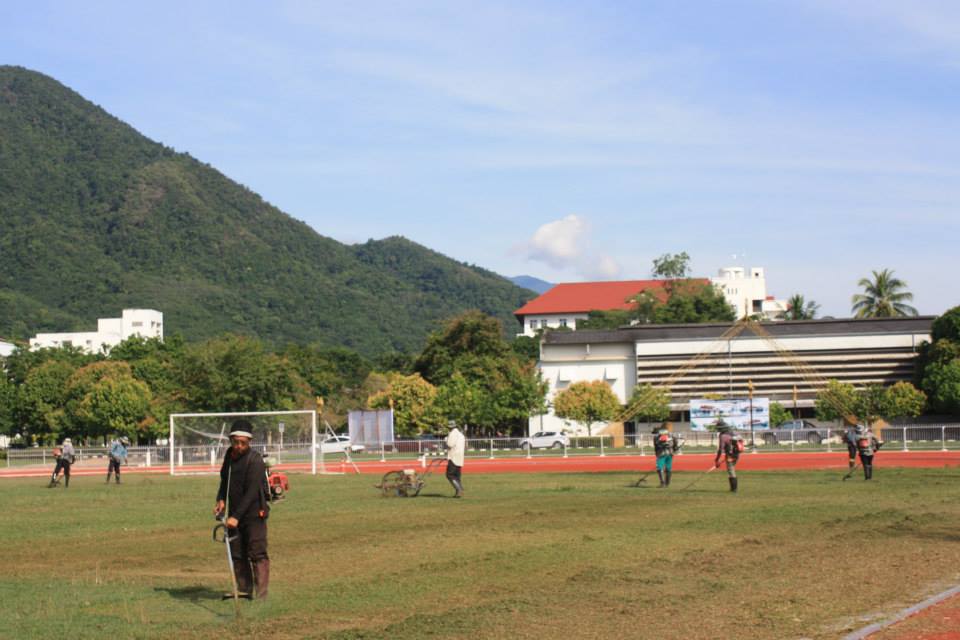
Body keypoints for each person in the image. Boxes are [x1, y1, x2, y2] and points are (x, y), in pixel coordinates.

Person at [214, 421, 270, 600]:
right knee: (237, 553)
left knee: (257, 552)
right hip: (234, 513)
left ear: (249, 442)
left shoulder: (255, 460)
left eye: (243, 443)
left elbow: (252, 491)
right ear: (231, 440)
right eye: (235, 442)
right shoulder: (229, 456)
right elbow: (224, 480)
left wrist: (236, 516)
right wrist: (221, 498)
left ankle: (261, 596)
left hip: (254, 513)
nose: (238, 446)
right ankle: (245, 590)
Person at [714, 426, 743, 493]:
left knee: (731, 470)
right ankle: (733, 489)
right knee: (731, 469)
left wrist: (717, 459)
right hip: (736, 454)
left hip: (730, 456)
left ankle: (734, 489)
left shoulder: (723, 436)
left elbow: (721, 449)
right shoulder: (735, 433)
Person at [652, 423, 681, 488]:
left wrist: (656, 453)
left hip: (662, 453)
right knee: (667, 468)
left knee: (661, 468)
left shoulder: (657, 436)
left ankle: (663, 483)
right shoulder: (672, 436)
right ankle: (666, 483)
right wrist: (675, 449)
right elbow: (675, 444)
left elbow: (657, 446)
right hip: (669, 453)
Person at [445, 425, 466, 498]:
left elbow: (450, 444)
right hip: (460, 456)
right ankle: (459, 491)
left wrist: (446, 440)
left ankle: (459, 489)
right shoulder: (461, 434)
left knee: (449, 475)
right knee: (457, 476)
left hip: (453, 456)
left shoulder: (452, 434)